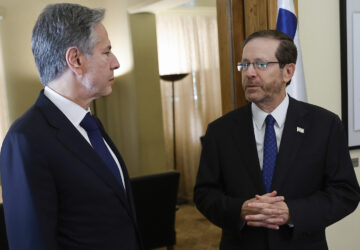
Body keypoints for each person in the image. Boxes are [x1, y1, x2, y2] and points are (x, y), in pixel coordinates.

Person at [194, 29, 360, 250]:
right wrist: (240, 209)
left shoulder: (324, 125)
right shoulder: (220, 130)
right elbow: (204, 193)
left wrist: (292, 212)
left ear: (288, 71)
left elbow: (345, 192)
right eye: (244, 65)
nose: (249, 73)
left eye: (260, 64)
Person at [0, 3, 142, 250]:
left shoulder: (90, 124)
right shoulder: (25, 139)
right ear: (75, 59)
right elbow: (30, 243)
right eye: (106, 52)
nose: (116, 62)